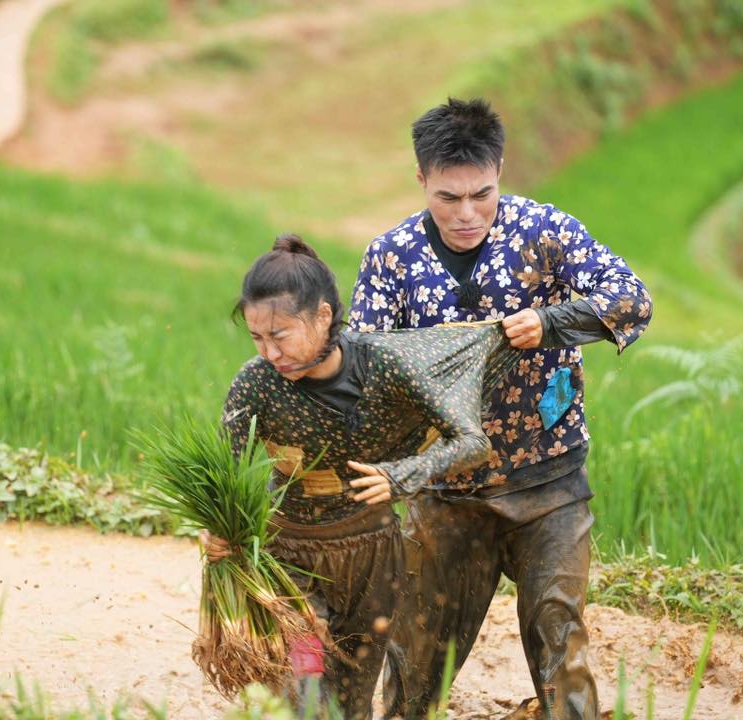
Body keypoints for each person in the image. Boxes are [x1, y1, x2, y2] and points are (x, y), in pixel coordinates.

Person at [348, 98, 653, 720]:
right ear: (421, 182)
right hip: (446, 494)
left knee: (559, 636)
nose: (466, 215)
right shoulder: (392, 256)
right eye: (447, 198)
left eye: (481, 195)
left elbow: (632, 299)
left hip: (549, 482)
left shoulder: (546, 232)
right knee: (416, 668)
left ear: (501, 172)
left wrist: (551, 321)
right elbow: (364, 367)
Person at [203, 233, 518, 719]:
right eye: (257, 338)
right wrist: (221, 530)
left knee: (352, 698)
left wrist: (401, 476)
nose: (269, 352)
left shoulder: (383, 366)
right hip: (290, 553)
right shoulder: (256, 383)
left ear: (323, 316)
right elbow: (226, 469)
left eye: (280, 335)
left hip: (371, 555)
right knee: (304, 682)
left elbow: (471, 441)